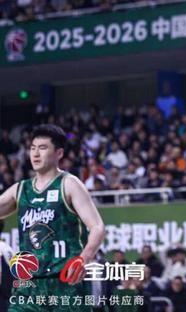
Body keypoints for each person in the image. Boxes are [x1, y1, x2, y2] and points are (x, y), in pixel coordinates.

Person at [0, 124, 106, 311]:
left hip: (65, 282)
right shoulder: (21, 189)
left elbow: (97, 227)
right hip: (29, 285)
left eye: (42, 148)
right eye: (32, 148)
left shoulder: (69, 184)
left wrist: (84, 258)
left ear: (59, 153)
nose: (35, 154)